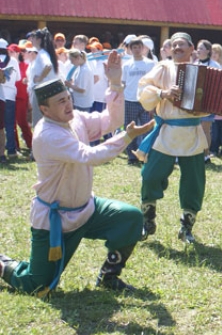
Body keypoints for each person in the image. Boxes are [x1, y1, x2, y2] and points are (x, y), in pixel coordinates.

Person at [0, 52, 154, 297]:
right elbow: (90, 156)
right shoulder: (47, 134)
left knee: (131, 218)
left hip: (86, 209)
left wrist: (115, 83)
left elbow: (110, 120)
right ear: (44, 110)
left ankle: (109, 276)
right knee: (38, 287)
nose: (68, 104)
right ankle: (3, 265)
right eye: (60, 102)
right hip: (55, 220)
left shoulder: (75, 119)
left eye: (68, 98)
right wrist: (127, 138)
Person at [135, 32, 210, 244]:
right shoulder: (163, 67)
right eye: (174, 44)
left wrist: (199, 110)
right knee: (150, 175)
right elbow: (143, 89)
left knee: (193, 183)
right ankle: (147, 221)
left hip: (192, 135)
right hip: (166, 133)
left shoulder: (203, 72)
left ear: (191, 48)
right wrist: (163, 94)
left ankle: (186, 228)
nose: (177, 48)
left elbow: (210, 104)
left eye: (182, 45)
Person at [122, 37, 155, 165]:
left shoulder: (150, 64)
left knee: (147, 128)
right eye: (134, 47)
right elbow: (123, 83)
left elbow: (154, 82)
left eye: (138, 47)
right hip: (130, 100)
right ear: (130, 49)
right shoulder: (126, 65)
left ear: (143, 48)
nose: (136, 50)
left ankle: (145, 154)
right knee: (130, 129)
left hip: (145, 100)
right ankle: (132, 156)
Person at [0, 38, 20, 161]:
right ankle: (11, 150)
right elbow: (18, 77)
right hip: (10, 94)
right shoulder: (12, 60)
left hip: (1, 94)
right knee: (9, 125)